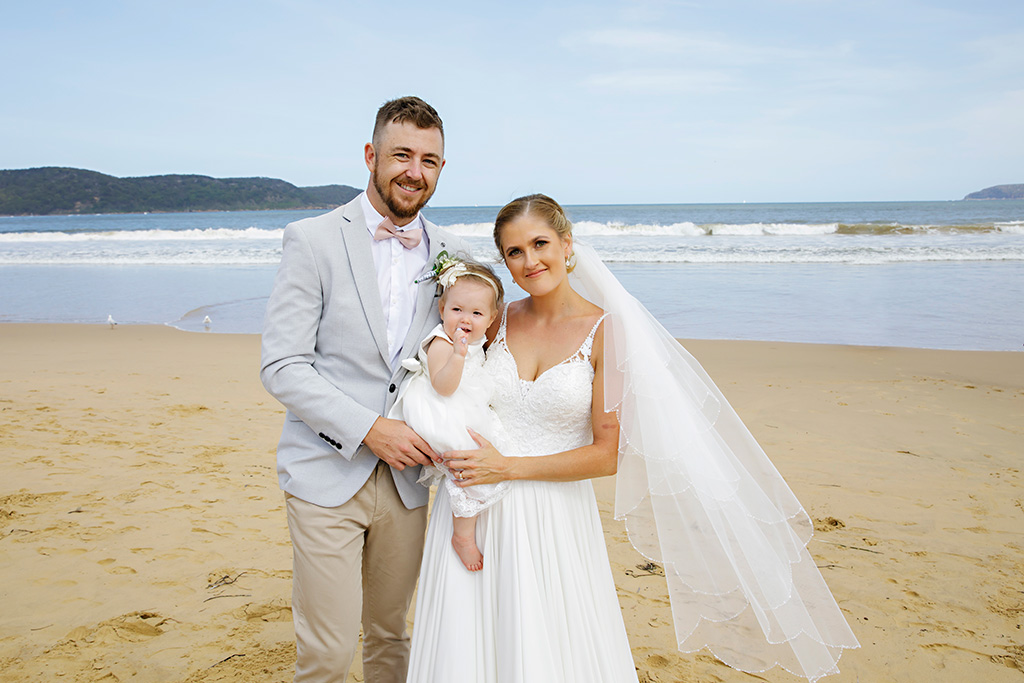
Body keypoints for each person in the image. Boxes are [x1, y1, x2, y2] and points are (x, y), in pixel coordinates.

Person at [408, 194, 860, 683]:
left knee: (550, 649)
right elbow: (450, 387)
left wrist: (510, 467)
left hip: (553, 514)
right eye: (515, 252)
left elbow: (607, 455)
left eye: (540, 244)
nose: (530, 261)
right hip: (474, 505)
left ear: (567, 244)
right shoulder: (496, 320)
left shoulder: (607, 331)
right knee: (465, 649)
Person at [260, 96, 469, 683]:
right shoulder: (313, 239)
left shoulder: (454, 254)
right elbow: (282, 364)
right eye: (401, 154)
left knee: (391, 639)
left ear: (441, 169)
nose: (414, 170)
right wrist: (370, 429)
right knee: (326, 653)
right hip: (327, 471)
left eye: (429, 159)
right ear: (372, 156)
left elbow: (475, 350)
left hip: (410, 483)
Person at [389, 257, 509, 571]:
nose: (465, 319)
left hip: (460, 404)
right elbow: (444, 386)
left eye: (477, 313)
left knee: (485, 455)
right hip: (439, 407)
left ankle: (472, 524)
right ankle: (463, 535)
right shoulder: (442, 342)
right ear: (442, 310)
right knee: (467, 462)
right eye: (457, 310)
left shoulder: (473, 342)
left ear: (491, 318)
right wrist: (457, 355)